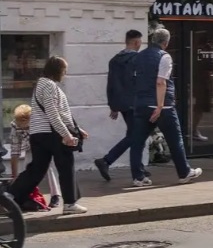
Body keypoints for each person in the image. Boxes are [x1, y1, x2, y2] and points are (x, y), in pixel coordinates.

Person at [6, 56, 86, 214]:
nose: (65, 73)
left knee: (37, 168)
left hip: (38, 133)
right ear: (57, 70)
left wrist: (77, 128)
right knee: (66, 166)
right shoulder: (49, 85)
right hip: (52, 133)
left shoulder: (41, 84)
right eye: (64, 70)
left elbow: (57, 112)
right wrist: (66, 134)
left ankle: (10, 195)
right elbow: (53, 113)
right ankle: (70, 204)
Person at [128, 27, 202, 186]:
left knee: (137, 142)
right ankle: (184, 172)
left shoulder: (138, 56)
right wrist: (160, 106)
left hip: (141, 104)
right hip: (162, 107)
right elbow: (161, 82)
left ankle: (138, 177)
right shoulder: (164, 56)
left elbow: (134, 79)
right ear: (166, 43)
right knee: (175, 140)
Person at [94, 29, 145, 183]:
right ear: (136, 42)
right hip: (135, 103)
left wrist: (113, 105)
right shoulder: (137, 59)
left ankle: (139, 168)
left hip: (121, 104)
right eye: (140, 42)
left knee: (134, 134)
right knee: (135, 136)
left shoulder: (114, 60)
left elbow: (111, 84)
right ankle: (106, 160)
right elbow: (139, 82)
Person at [8, 104, 60, 209]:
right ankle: (28, 195)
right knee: (27, 170)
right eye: (22, 126)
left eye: (27, 126)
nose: (24, 128)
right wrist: (14, 176)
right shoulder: (15, 126)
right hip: (29, 148)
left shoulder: (40, 121)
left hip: (44, 146)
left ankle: (55, 195)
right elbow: (15, 151)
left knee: (48, 168)